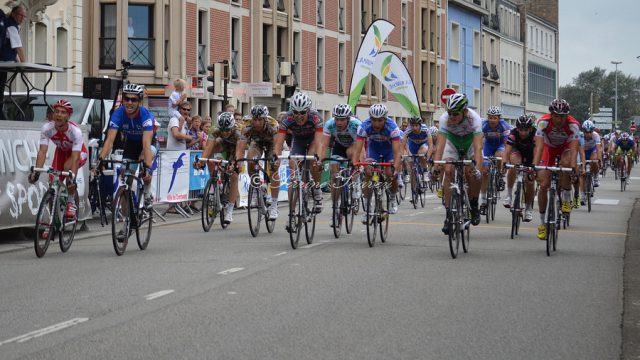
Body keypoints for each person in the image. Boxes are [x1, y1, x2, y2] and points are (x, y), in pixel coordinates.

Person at [96, 83, 156, 236]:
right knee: (125, 179)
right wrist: (100, 160)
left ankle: (148, 193)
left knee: (144, 166)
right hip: (130, 144)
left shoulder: (145, 115)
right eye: (126, 99)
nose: (129, 102)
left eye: (133, 100)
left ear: (139, 101)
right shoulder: (118, 113)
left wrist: (147, 167)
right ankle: (125, 223)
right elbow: (109, 140)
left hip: (147, 144)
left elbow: (146, 144)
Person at [29, 100, 88, 228]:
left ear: (68, 116)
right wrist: (37, 172)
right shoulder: (47, 128)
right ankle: (52, 222)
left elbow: (76, 158)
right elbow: (42, 152)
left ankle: (71, 202)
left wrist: (71, 178)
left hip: (77, 153)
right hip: (61, 152)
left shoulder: (75, 132)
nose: (59, 115)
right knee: (53, 183)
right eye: (56, 112)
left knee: (67, 170)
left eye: (63, 112)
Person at [432, 93, 484, 233]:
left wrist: (477, 168)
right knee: (448, 171)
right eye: (450, 113)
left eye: (455, 113)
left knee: (472, 172)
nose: (452, 116)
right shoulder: (444, 119)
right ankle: (449, 215)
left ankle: (473, 204)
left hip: (470, 143)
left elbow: (478, 147)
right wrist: (436, 166)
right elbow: (440, 145)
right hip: (453, 142)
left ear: (465, 111)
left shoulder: (475, 119)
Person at [533, 99, 580, 240]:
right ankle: (542, 223)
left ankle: (566, 198)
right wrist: (534, 167)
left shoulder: (573, 125)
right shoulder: (542, 122)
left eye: (562, 116)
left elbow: (574, 149)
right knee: (543, 185)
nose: (559, 119)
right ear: (551, 115)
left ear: (567, 116)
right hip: (548, 149)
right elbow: (539, 147)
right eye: (556, 116)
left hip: (565, 148)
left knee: (566, 164)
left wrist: (573, 168)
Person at [274, 92, 325, 213]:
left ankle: (317, 189)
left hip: (312, 140)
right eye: (296, 112)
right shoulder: (287, 118)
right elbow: (279, 143)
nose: (299, 116)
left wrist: (318, 158)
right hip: (297, 141)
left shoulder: (316, 117)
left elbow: (319, 142)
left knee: (312, 161)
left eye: (302, 113)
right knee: (293, 174)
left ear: (308, 111)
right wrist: (276, 157)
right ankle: (291, 213)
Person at [352, 103, 403, 222]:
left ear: (385, 119)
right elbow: (357, 150)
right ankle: (367, 209)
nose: (376, 124)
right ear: (370, 119)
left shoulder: (392, 127)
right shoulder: (364, 126)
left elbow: (396, 152)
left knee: (390, 173)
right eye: (374, 120)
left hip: (389, 150)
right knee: (368, 173)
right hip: (374, 149)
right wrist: (355, 164)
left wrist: (396, 167)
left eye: (380, 120)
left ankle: (392, 197)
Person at [236, 105, 281, 219]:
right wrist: (239, 161)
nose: (256, 122)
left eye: (259, 119)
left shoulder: (273, 125)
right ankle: (256, 189)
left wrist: (276, 158)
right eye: (254, 119)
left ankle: (274, 205)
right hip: (257, 143)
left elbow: (277, 145)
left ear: (265, 119)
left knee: (274, 169)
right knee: (250, 160)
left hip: (271, 144)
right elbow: (241, 146)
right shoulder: (246, 125)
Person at [320, 104, 362, 226]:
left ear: (348, 119)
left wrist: (358, 164)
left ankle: (356, 181)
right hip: (339, 147)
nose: (339, 122)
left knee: (352, 156)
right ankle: (335, 209)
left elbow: (361, 149)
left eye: (342, 119)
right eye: (337, 119)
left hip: (354, 146)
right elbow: (324, 145)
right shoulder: (329, 124)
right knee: (335, 175)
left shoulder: (356, 125)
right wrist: (321, 161)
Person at [197, 112, 241, 224]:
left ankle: (230, 210)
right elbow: (208, 148)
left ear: (232, 127)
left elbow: (239, 153)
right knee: (211, 150)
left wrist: (235, 164)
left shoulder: (238, 132)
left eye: (227, 130)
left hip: (234, 148)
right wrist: (202, 160)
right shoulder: (215, 130)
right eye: (223, 130)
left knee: (234, 176)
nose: (225, 132)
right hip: (222, 145)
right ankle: (215, 180)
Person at [502, 114, 536, 222]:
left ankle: (528, 208)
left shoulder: (535, 134)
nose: (523, 133)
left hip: (531, 154)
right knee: (513, 165)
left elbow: (537, 152)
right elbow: (507, 151)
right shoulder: (513, 134)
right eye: (520, 129)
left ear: (530, 129)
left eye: (526, 130)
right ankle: (509, 195)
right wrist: (504, 163)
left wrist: (534, 167)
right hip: (517, 152)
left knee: (530, 182)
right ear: (517, 128)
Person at [480, 106, 510, 214]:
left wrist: (505, 160)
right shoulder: (483, 125)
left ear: (499, 118)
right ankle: (483, 201)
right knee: (484, 172)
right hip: (488, 146)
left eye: (494, 118)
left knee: (499, 154)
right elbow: (479, 141)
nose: (492, 120)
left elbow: (507, 144)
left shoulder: (504, 126)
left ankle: (499, 175)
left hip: (500, 145)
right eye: (490, 118)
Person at [0, 3, 27, 120]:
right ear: (13, 14)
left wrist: (17, 61)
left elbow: (13, 47)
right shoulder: (11, 26)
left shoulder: (10, 24)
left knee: (2, 87)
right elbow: (18, 47)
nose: (22, 18)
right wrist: (24, 63)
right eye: (20, 15)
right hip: (3, 62)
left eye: (24, 16)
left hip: (5, 61)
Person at [401, 116, 433, 197]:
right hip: (412, 146)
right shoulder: (408, 131)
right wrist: (402, 156)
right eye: (412, 126)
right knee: (412, 169)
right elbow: (403, 145)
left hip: (423, 145)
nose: (414, 128)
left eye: (416, 125)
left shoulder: (425, 129)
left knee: (421, 154)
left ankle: (425, 171)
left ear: (420, 125)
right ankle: (414, 191)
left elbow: (430, 144)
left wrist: (428, 157)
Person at [578, 120, 602, 203]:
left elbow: (598, 149)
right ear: (583, 131)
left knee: (594, 160)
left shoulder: (596, 135)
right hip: (582, 151)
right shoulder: (580, 135)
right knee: (581, 174)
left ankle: (595, 176)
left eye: (590, 132)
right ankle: (583, 195)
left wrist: (599, 161)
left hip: (592, 151)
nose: (588, 134)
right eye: (586, 132)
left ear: (593, 130)